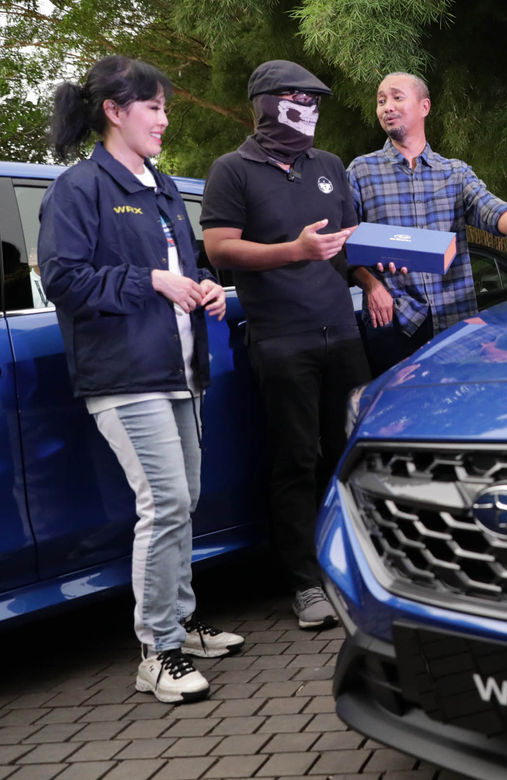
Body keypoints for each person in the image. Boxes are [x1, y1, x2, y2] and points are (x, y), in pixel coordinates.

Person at [39, 55, 243, 705]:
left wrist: (204, 287)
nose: (163, 119)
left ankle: (179, 620)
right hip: (125, 378)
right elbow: (63, 280)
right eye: (153, 108)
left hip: (177, 370)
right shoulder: (80, 188)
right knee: (163, 502)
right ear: (114, 111)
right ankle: (158, 650)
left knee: (183, 500)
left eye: (163, 108)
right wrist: (151, 281)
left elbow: (181, 270)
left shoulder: (156, 187)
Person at [200, 60, 369, 630]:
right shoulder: (232, 169)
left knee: (351, 457)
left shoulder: (328, 165)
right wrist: (292, 251)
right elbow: (220, 249)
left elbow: (344, 246)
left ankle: (360, 571)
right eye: (298, 98)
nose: (309, 110)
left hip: (341, 333)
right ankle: (304, 583)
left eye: (315, 100)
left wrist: (376, 274)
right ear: (267, 103)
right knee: (296, 460)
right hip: (282, 340)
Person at [346, 72, 507, 376]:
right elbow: (343, 241)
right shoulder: (361, 172)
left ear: (424, 107)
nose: (387, 106)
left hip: (455, 321)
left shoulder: (454, 172)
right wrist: (370, 284)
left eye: (396, 97)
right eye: (381, 101)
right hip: (392, 321)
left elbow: (489, 207)